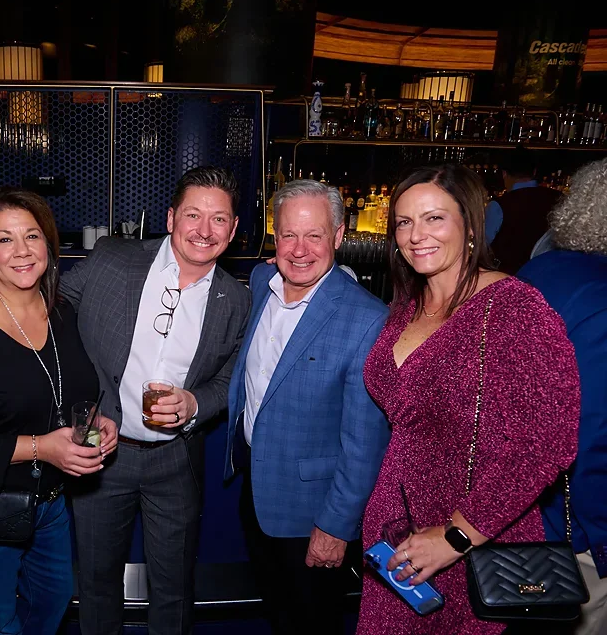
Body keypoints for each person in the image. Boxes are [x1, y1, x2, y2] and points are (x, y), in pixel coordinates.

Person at [357, 163, 581, 635]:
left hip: (474, 545)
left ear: (469, 225)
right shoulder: (407, 307)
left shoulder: (515, 308)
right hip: (397, 542)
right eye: (404, 221)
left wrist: (457, 535)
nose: (416, 235)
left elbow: (548, 440)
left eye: (434, 218)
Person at [61, 166, 251, 635]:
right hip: (101, 454)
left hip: (174, 463)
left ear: (233, 231)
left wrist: (195, 405)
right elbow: (51, 309)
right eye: (193, 215)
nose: (204, 230)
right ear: (170, 218)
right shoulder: (113, 260)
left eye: (219, 219)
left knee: (174, 591)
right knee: (97, 583)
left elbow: (232, 378)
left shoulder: (237, 299)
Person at [0, 187, 119, 635]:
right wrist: (43, 449)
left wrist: (94, 422)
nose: (22, 251)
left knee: (51, 603)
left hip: (51, 506)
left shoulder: (62, 312)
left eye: (32, 236)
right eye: (4, 239)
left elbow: (65, 393)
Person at [225, 180, 390, 633]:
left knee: (311, 623)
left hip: (313, 515)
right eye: (288, 235)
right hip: (256, 494)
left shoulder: (367, 319)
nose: (299, 250)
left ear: (338, 237)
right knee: (276, 614)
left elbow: (364, 444)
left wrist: (335, 527)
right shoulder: (262, 282)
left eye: (314, 236)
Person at [519, 156, 607, 635]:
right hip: (579, 530)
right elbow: (591, 432)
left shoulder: (539, 269)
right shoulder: (601, 299)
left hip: (520, 513)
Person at [484, 146, 562, 273]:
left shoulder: (499, 205)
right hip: (549, 274)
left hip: (507, 279)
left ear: (504, 174)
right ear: (534, 172)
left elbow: (482, 246)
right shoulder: (559, 199)